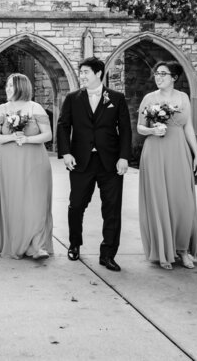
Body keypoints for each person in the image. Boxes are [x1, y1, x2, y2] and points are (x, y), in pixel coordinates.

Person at [57, 56, 131, 272]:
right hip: (81, 161)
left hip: (110, 162)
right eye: (81, 73)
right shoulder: (73, 98)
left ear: (99, 73)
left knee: (112, 209)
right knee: (76, 205)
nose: (82, 76)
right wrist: (66, 153)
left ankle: (108, 254)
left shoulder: (116, 98)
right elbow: (63, 126)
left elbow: (125, 129)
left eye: (86, 72)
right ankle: (74, 244)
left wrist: (124, 156)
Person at [137, 62, 197, 270]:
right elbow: (140, 127)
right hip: (155, 152)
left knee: (183, 201)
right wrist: (151, 131)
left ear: (174, 77)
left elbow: (189, 128)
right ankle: (164, 251)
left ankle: (183, 250)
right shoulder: (149, 98)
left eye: (163, 74)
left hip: (178, 151)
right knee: (159, 201)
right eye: (156, 73)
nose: (158, 77)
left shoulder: (183, 98)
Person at [0, 73, 53, 260]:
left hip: (35, 161)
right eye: (7, 85)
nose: (7, 89)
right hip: (10, 162)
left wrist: (27, 139)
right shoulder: (2, 109)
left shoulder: (36, 107)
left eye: (11, 85)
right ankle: (17, 243)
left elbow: (48, 135)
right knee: (15, 201)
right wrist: (11, 137)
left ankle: (38, 245)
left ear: (22, 87)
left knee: (36, 202)